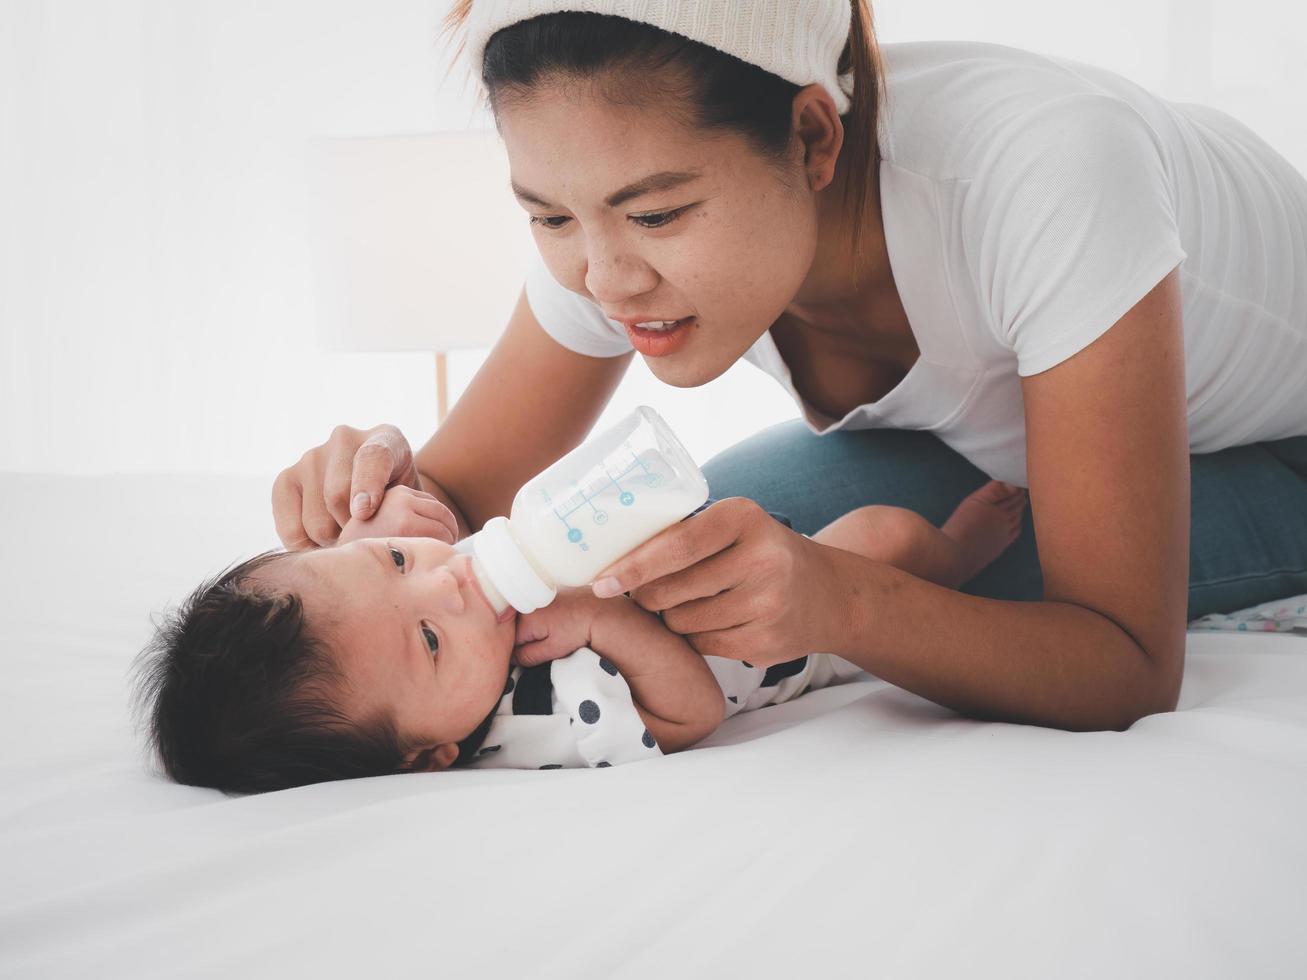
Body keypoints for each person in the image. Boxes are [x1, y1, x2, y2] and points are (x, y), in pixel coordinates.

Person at [272, 0, 1307, 735]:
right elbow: (459, 499)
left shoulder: (1046, 174)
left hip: (1282, 445)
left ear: (813, 137)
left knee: (778, 578)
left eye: (656, 214)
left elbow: (1124, 663)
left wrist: (843, 601)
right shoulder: (610, 217)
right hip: (996, 445)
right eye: (546, 214)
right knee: (675, 568)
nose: (605, 278)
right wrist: (375, 504)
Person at [134, 479, 1028, 792]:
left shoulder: (450, 597)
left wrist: (400, 530)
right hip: (789, 634)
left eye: (395, 565)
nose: (447, 585)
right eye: (431, 644)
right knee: (885, 539)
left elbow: (444, 558)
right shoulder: (531, 721)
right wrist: (604, 622)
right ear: (430, 756)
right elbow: (689, 715)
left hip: (720, 554)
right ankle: (964, 555)